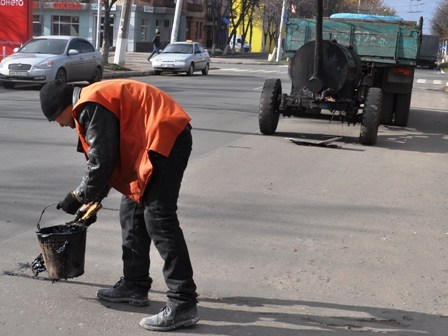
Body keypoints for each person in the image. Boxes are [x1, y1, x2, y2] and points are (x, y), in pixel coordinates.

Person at [39, 79, 199, 332]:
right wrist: (90, 202)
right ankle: (135, 284)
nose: (59, 124)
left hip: (166, 137)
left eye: (56, 118)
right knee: (131, 212)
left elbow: (103, 160)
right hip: (152, 143)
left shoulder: (89, 105)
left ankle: (183, 303)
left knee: (158, 219)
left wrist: (78, 196)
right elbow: (109, 163)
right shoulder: (90, 103)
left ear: (64, 107)